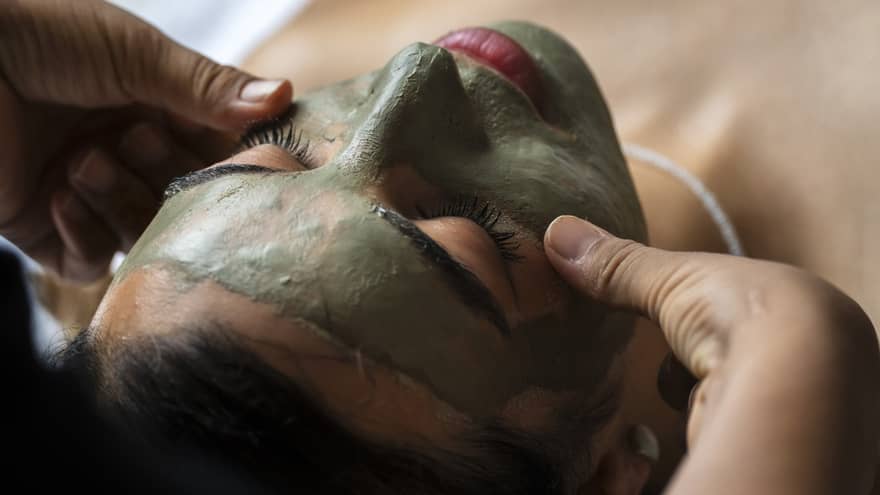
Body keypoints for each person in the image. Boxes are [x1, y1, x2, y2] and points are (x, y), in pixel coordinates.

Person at [2, 2, 877, 494]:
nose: (415, 73)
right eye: (463, 239)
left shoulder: (254, 52)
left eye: (271, 156)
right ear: (604, 477)